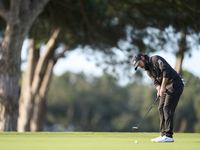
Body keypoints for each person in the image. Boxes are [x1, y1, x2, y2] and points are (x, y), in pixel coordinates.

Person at [132, 52, 185, 142]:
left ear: (142, 58)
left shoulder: (155, 59)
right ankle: (163, 134)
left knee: (167, 108)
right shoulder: (148, 70)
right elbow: (156, 82)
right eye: (138, 66)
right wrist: (159, 89)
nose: (140, 66)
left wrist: (163, 86)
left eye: (139, 63)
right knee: (161, 108)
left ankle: (168, 136)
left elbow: (166, 70)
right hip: (166, 87)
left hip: (175, 84)